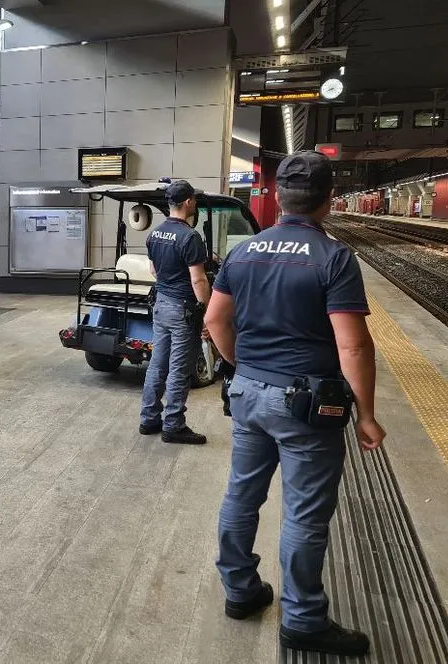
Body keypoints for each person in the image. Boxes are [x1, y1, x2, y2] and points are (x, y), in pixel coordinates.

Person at [204, 151, 386, 657]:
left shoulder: (244, 252)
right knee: (305, 515)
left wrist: (245, 369)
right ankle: (304, 620)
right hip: (307, 404)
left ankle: (240, 591)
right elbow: (352, 345)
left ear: (278, 197)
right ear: (329, 200)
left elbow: (216, 321)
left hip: (248, 395)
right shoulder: (333, 257)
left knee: (242, 495)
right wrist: (367, 414)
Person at [139, 180, 211, 445]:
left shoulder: (154, 234)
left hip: (161, 305)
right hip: (183, 309)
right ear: (189, 202)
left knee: (158, 364)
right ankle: (173, 425)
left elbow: (153, 271)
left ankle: (149, 420)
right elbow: (198, 280)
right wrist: (205, 310)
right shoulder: (190, 237)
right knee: (180, 369)